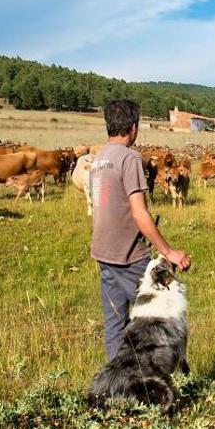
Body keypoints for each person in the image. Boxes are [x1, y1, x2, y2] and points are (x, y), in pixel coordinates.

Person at [89, 99, 191, 359]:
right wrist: (168, 252)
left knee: (115, 322)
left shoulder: (99, 159)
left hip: (103, 252)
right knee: (155, 321)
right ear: (133, 127)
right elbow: (139, 211)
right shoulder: (130, 158)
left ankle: (117, 383)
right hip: (129, 254)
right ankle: (152, 380)